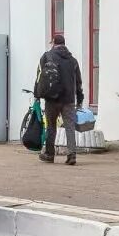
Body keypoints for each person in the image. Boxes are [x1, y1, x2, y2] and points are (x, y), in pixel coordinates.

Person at [33, 33, 84, 165]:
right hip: (69, 99)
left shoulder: (47, 56)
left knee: (51, 126)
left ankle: (49, 154)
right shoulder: (73, 60)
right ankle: (72, 154)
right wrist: (80, 99)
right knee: (70, 127)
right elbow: (78, 82)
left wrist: (37, 95)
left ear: (54, 43)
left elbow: (39, 77)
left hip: (52, 98)